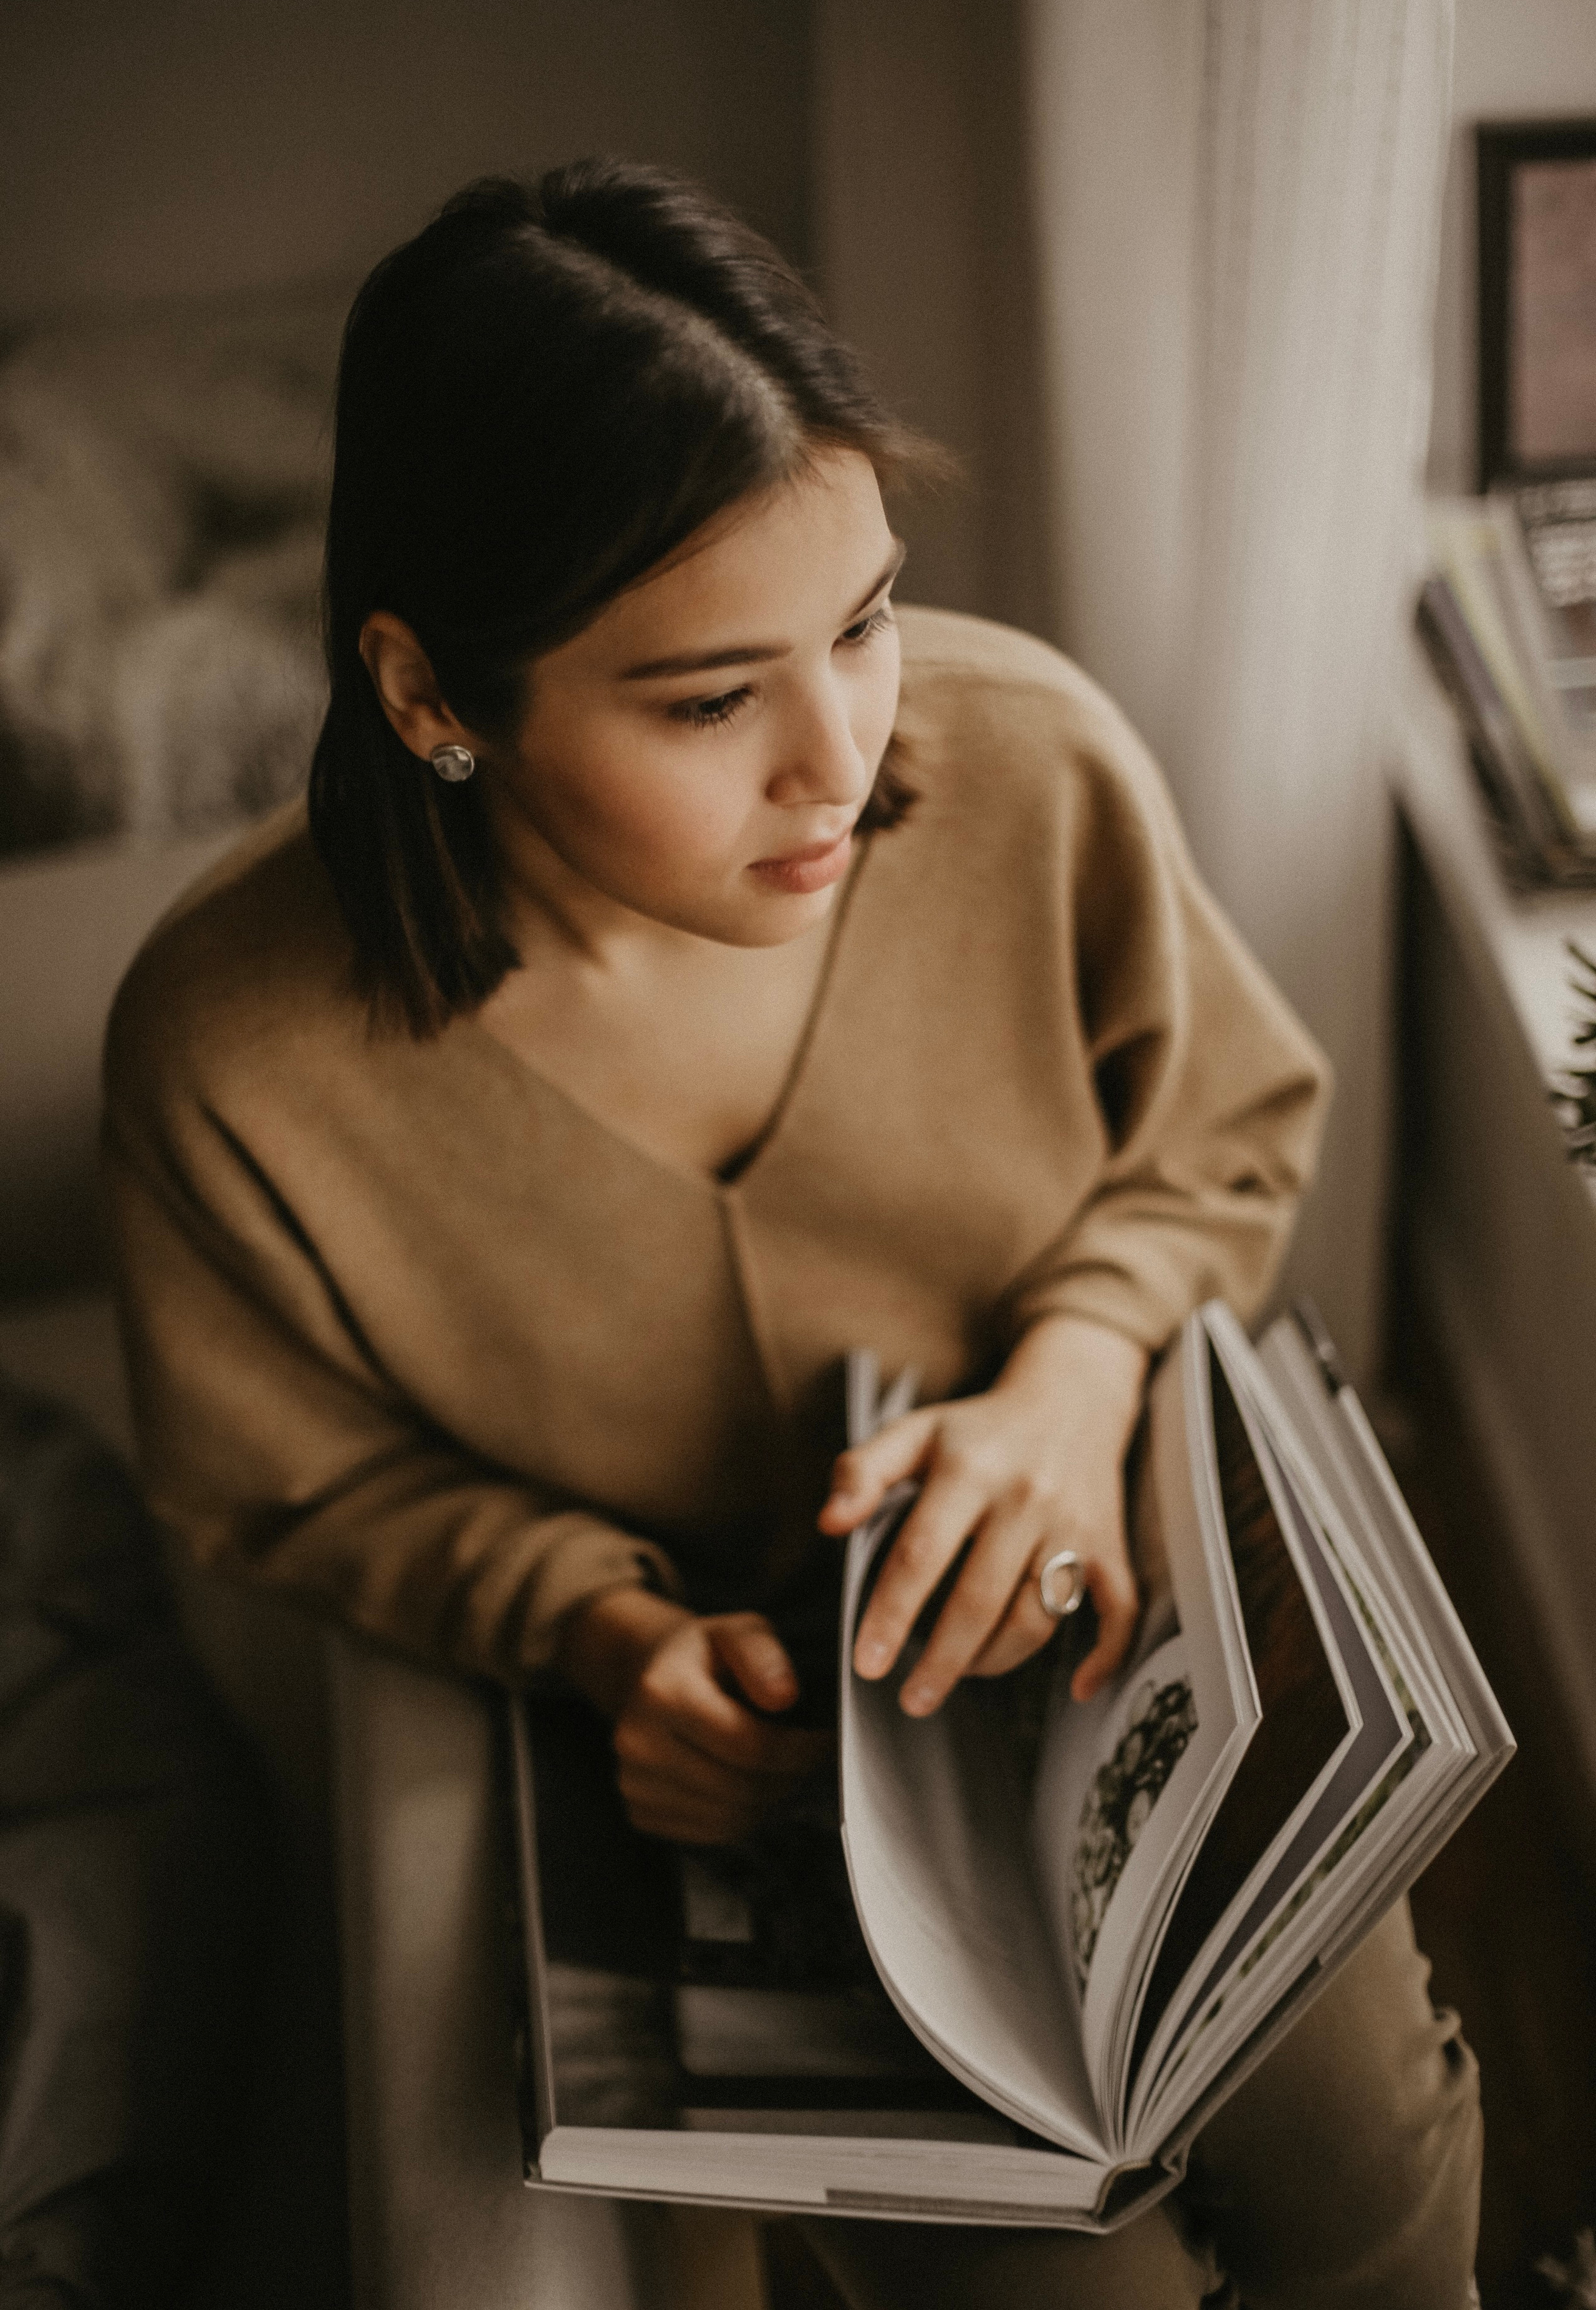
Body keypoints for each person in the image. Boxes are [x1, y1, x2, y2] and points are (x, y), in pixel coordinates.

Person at [102, 163, 1482, 2308]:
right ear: (430, 692)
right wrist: (595, 1629)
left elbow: (1223, 1130)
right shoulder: (233, 1052)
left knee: (1371, 2170)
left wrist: (1075, 1377)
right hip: (759, 1784)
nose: (842, 759)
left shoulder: (1031, 766)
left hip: (1106, 1606)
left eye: (865, 620)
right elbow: (296, 1486)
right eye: (707, 702)